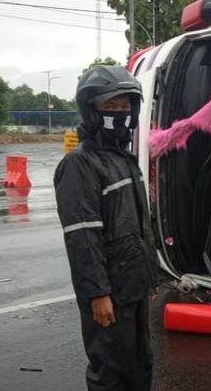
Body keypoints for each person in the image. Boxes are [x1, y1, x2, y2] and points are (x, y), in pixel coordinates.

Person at [54, 65, 159, 391]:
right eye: (110, 106)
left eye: (125, 106)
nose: (119, 113)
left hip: (132, 287)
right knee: (111, 374)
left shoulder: (123, 159)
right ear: (91, 110)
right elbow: (83, 235)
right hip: (108, 292)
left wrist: (148, 276)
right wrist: (97, 293)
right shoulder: (80, 163)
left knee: (140, 366)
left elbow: (138, 224)